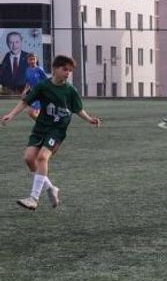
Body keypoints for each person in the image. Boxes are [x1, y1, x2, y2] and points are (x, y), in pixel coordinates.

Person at [1, 55, 101, 210]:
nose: (68, 73)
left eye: (70, 70)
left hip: (57, 130)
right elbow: (25, 101)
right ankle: (50, 188)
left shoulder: (70, 90)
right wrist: (11, 114)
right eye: (64, 69)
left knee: (41, 158)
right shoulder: (42, 86)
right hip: (40, 127)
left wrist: (89, 119)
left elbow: (78, 109)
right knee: (28, 158)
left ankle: (33, 199)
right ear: (54, 69)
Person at [22, 53, 49, 121]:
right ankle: (43, 124)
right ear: (27, 60)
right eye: (30, 59)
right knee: (32, 113)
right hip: (33, 94)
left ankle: (42, 124)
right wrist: (25, 91)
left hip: (41, 94)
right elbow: (28, 83)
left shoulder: (39, 69)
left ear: (36, 60)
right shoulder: (27, 70)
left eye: (34, 59)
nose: (32, 61)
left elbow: (47, 81)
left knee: (31, 112)